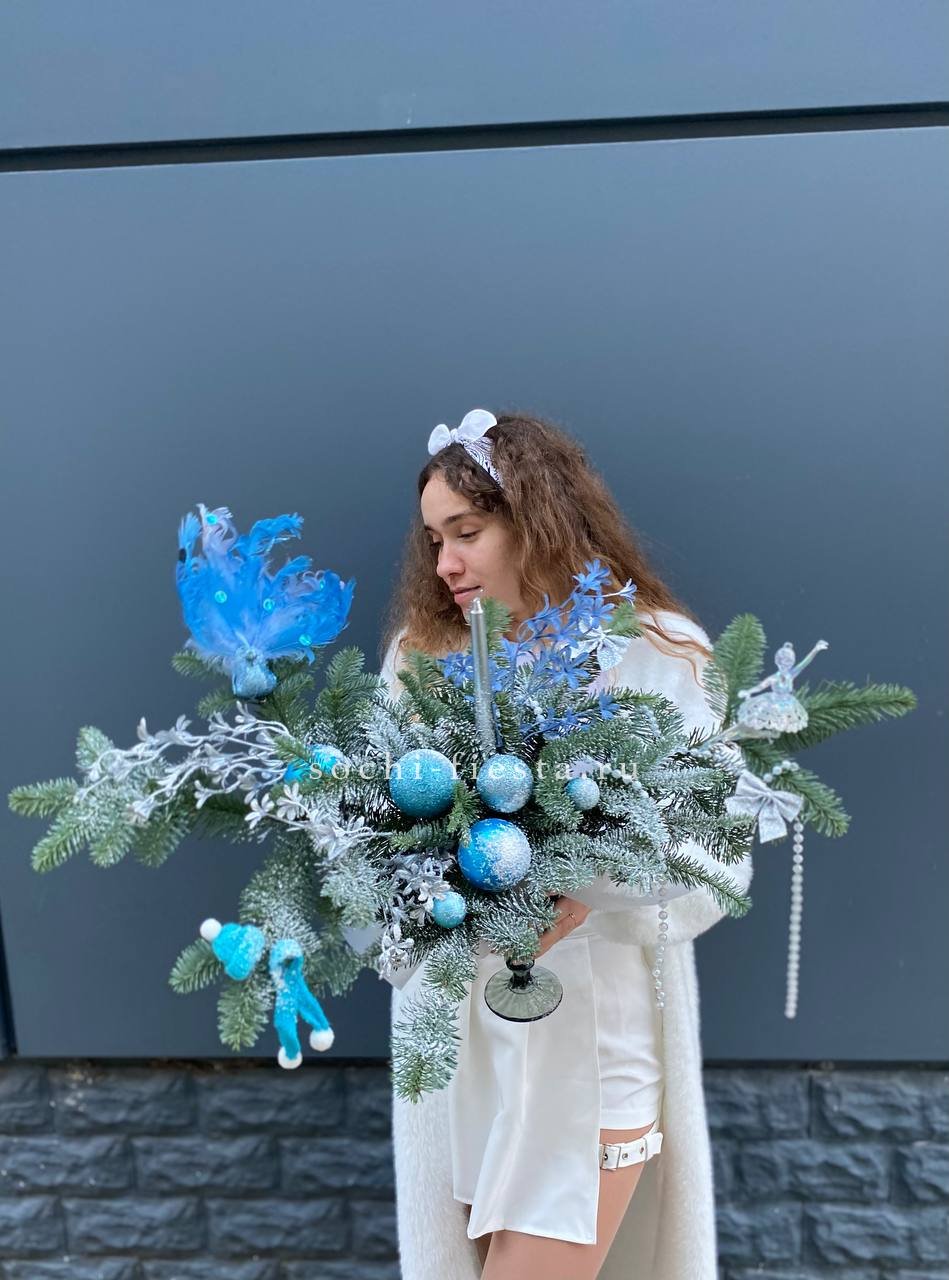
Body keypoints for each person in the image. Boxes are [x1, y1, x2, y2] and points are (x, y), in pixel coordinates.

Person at [377, 409, 754, 1280]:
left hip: (593, 1042)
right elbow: (375, 834)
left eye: (466, 532)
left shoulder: (657, 653)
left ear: (536, 520)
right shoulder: (420, 657)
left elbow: (715, 847)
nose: (444, 564)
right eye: (434, 540)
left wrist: (584, 879)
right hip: (462, 1053)